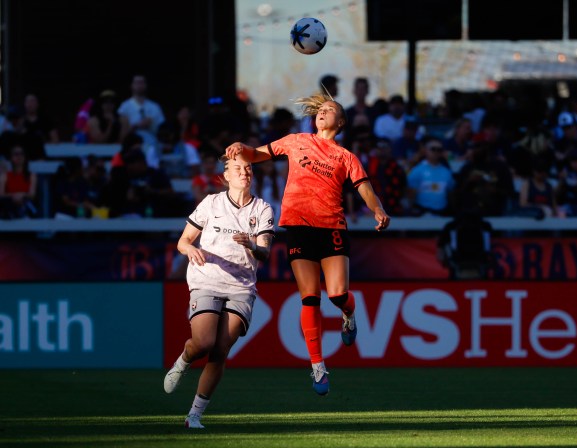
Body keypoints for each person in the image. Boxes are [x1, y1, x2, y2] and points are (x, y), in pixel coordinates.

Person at [225, 93, 390, 396]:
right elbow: (258, 154)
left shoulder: (346, 157)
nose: (323, 112)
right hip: (298, 227)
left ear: (340, 122)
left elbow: (364, 188)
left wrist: (377, 209)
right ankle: (317, 364)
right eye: (321, 110)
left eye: (330, 110)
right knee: (310, 297)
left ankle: (349, 314)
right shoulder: (296, 140)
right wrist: (241, 149)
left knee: (338, 294)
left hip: (332, 227)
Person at [163, 152, 275, 429]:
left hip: (241, 286)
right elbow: (183, 241)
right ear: (226, 176)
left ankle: (194, 416)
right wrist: (190, 249)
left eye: (248, 168)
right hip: (207, 279)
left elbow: (265, 253)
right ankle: (183, 360)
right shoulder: (211, 203)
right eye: (237, 168)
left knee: (220, 350)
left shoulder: (262, 209)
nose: (244, 172)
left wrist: (252, 245)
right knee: (203, 343)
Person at [117, 74, 165, 146]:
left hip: (152, 144)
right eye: (137, 83)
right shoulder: (124, 107)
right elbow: (121, 133)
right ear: (131, 86)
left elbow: (162, 131)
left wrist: (151, 124)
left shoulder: (155, 107)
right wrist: (137, 126)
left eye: (142, 82)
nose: (140, 85)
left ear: (146, 85)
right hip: (132, 145)